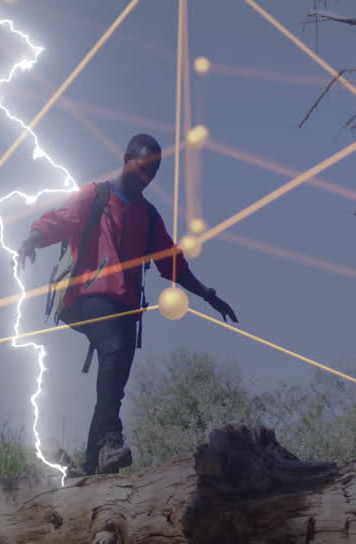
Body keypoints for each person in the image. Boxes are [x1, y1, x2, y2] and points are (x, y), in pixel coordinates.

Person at [15, 133, 237, 475]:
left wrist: (207, 294)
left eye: (153, 172)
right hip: (85, 296)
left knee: (113, 386)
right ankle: (110, 440)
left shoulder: (148, 217)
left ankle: (92, 470)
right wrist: (32, 239)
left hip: (126, 309)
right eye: (141, 168)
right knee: (115, 350)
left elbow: (171, 262)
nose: (146, 178)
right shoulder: (96, 196)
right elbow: (60, 220)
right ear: (126, 159)